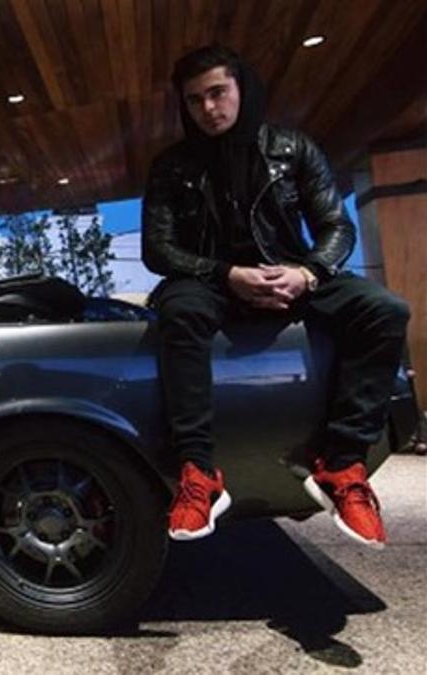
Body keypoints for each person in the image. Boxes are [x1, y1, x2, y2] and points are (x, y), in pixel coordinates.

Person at [142, 44, 410, 547]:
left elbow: (336, 226)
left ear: (242, 88)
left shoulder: (293, 148)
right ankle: (198, 475)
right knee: (178, 312)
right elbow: (158, 249)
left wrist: (306, 273)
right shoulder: (171, 166)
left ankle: (342, 466)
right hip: (210, 282)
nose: (208, 108)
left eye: (218, 93)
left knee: (385, 309)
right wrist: (226, 274)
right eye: (195, 99)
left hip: (292, 271)